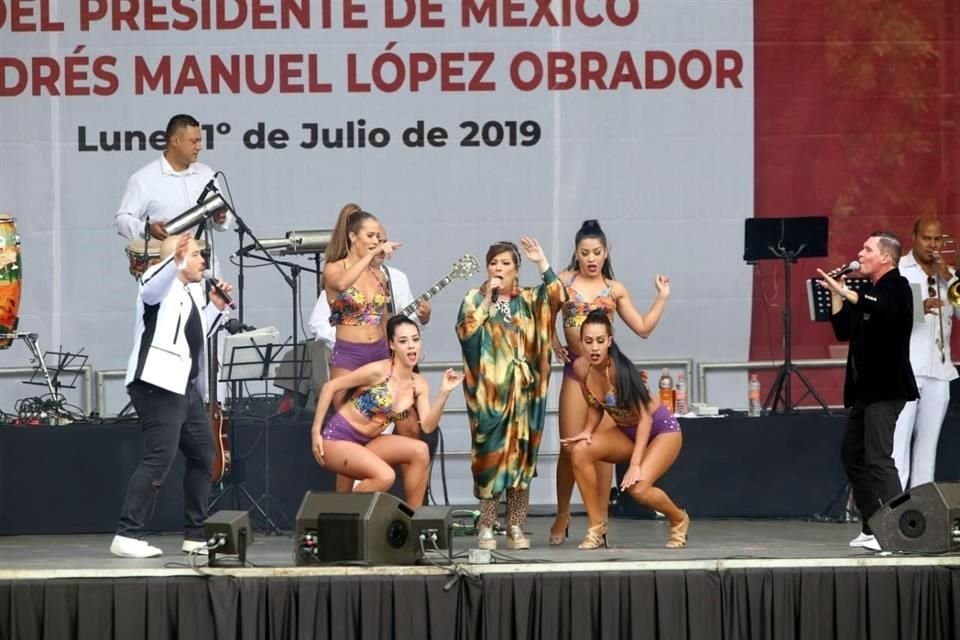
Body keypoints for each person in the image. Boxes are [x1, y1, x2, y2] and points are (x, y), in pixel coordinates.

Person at [109, 234, 233, 558]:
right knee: (160, 456)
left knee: (204, 454)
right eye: (195, 255)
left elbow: (192, 336)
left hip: (183, 387)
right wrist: (173, 260)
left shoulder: (189, 292)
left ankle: (194, 534)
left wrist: (216, 309)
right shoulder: (157, 287)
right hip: (156, 383)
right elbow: (150, 283)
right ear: (176, 259)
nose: (202, 260)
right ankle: (127, 534)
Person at [549, 219, 670, 545]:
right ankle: (562, 513)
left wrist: (662, 297)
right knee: (569, 447)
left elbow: (642, 328)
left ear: (606, 252)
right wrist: (551, 339)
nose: (591, 258)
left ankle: (597, 522)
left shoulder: (614, 289)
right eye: (585, 252)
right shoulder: (563, 282)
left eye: (597, 252)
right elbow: (541, 314)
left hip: (604, 377)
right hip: (576, 373)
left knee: (599, 452)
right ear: (576, 252)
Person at [456, 237, 566, 550]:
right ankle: (487, 524)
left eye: (506, 263)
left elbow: (559, 297)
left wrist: (541, 261)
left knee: (522, 458)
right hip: (491, 394)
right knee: (489, 458)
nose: (499, 268)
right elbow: (466, 333)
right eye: (494, 263)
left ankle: (516, 525)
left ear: (516, 269)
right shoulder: (475, 299)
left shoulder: (531, 299)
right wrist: (488, 302)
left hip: (526, 394)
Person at [818, 231, 919, 552]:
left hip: (888, 387)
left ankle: (900, 530)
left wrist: (848, 292)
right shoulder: (870, 292)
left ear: (886, 258)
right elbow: (844, 329)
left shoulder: (897, 287)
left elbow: (882, 308)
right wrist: (836, 293)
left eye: (867, 249)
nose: (860, 254)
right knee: (853, 455)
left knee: (879, 458)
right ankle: (873, 525)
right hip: (865, 391)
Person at [561, 310, 687, 549]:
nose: (594, 348)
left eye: (600, 341)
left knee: (639, 490)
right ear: (581, 342)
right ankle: (596, 525)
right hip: (627, 431)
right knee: (579, 451)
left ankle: (679, 519)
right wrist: (588, 430)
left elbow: (646, 420)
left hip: (661, 431)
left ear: (610, 340)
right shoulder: (580, 368)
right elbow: (596, 405)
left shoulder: (619, 371)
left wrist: (635, 464)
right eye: (588, 342)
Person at [310, 316, 462, 508]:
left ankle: (412, 520)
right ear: (392, 344)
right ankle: (344, 511)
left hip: (369, 441)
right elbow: (330, 387)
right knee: (386, 476)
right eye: (403, 341)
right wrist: (315, 432)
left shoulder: (418, 384)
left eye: (415, 339)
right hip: (337, 440)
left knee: (420, 450)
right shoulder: (379, 371)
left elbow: (428, 426)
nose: (411, 346)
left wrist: (444, 393)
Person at [893, 217, 959, 490]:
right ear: (914, 237)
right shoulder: (899, 269)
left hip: (940, 369)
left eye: (937, 239)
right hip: (907, 367)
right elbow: (888, 313)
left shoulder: (948, 274)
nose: (932, 245)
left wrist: (949, 278)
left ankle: (920, 511)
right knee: (898, 444)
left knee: (928, 446)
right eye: (926, 238)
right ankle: (892, 506)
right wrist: (918, 307)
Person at [114, 114, 233, 243]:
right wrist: (147, 229)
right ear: (175, 141)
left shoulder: (207, 174)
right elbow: (122, 220)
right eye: (194, 141)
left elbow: (223, 221)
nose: (199, 147)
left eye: (200, 141)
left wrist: (220, 217)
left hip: (204, 261)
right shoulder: (143, 178)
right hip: (167, 261)